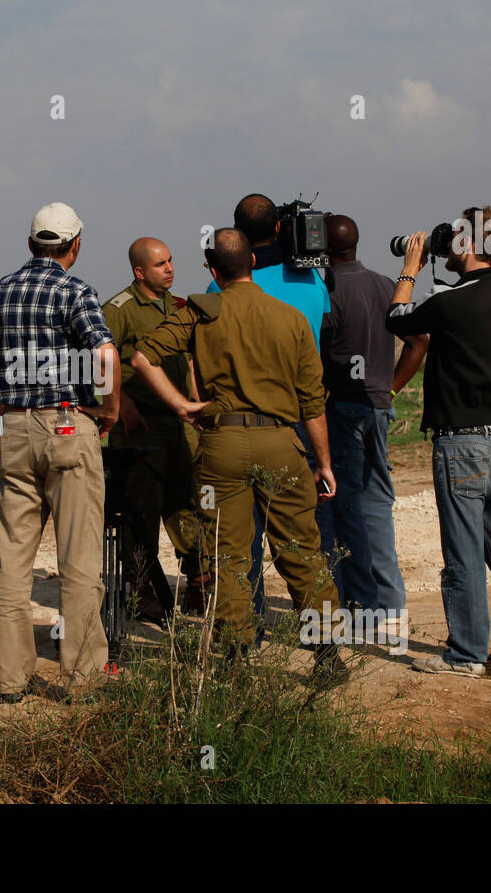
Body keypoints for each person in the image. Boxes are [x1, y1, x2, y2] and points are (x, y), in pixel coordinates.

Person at [131, 227, 348, 685]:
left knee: (226, 557)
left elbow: (142, 358)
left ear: (213, 271)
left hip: (220, 446)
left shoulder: (200, 311)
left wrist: (181, 405)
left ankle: (234, 660)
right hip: (281, 444)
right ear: (252, 262)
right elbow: (312, 403)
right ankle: (328, 656)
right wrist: (323, 463)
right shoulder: (290, 317)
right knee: (299, 550)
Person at [0, 202, 120, 703]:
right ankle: (82, 681)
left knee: (13, 561)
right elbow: (105, 353)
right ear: (75, 245)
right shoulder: (75, 291)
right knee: (79, 562)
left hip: (13, 431)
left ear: (31, 244)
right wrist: (110, 408)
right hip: (67, 424)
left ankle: (9, 682)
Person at [385, 206, 491, 677]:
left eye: (454, 237)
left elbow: (398, 318)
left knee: (465, 555)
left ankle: (466, 654)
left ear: (469, 246)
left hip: (461, 447)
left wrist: (410, 267)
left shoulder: (449, 302)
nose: (447, 243)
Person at [206, 194, 332, 641]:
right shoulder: (311, 281)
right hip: (291, 425)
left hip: (227, 431)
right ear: (280, 229)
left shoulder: (214, 297)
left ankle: (244, 638)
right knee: (301, 545)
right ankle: (326, 647)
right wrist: (324, 461)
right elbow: (316, 381)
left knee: (235, 546)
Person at [318, 214, 427, 626]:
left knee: (341, 505)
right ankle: (388, 604)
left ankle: (355, 605)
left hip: (342, 408)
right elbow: (419, 342)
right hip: (378, 408)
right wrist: (391, 389)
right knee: (377, 503)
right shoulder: (387, 285)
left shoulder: (326, 292)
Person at [102, 238, 208, 622]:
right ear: (139, 271)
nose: (170, 268)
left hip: (175, 424)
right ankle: (140, 587)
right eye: (160, 263)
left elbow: (188, 362)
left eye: (171, 260)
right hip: (139, 426)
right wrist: (122, 407)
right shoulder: (119, 310)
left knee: (185, 502)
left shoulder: (178, 306)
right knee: (139, 510)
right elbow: (99, 360)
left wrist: (195, 401)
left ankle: (197, 580)